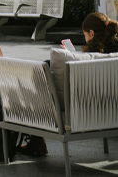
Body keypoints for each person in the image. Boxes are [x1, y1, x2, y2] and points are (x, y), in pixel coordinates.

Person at [21, 11, 118, 156]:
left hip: (80, 110)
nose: (85, 38)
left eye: (84, 34)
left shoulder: (86, 61)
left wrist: (70, 58)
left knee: (45, 70)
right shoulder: (110, 54)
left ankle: (36, 142)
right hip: (111, 107)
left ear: (91, 33)